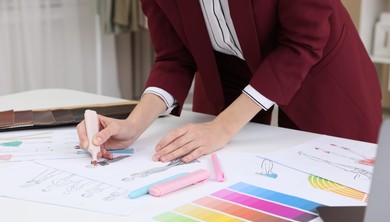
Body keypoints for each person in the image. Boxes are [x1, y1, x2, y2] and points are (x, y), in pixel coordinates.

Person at [77, 0, 382, 164]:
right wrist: (132, 126)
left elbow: (300, 45)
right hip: (229, 77)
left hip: (319, 71)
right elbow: (175, 57)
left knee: (337, 183)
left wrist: (223, 127)